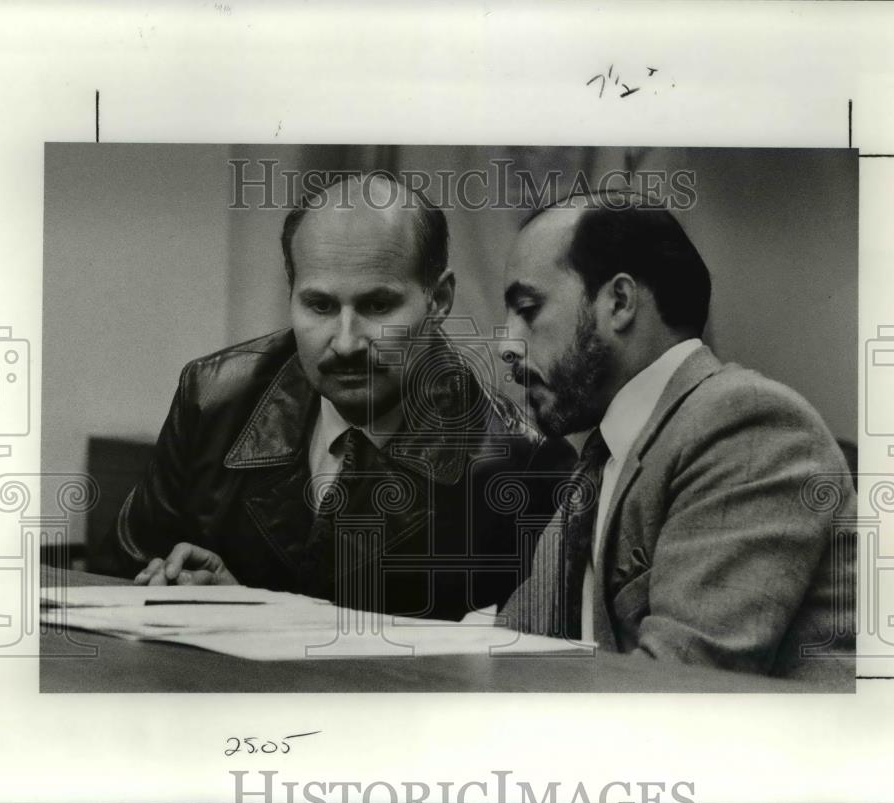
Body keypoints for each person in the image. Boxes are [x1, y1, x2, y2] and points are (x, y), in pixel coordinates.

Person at [114, 174, 573, 621]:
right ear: (291, 295)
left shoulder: (522, 462)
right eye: (320, 306)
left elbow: (518, 665)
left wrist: (257, 616)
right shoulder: (212, 399)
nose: (348, 342)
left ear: (439, 300)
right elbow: (123, 577)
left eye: (377, 306)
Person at [498, 194, 856, 682]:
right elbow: (514, 644)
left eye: (527, 309)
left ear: (619, 302)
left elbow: (680, 690)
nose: (505, 345)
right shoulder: (603, 461)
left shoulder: (747, 425)